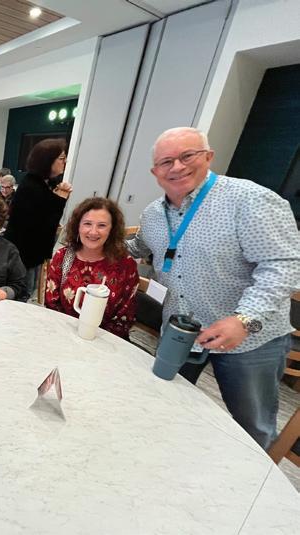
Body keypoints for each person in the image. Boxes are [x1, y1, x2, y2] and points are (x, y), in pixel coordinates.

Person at [127, 126, 300, 449]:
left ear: (208, 156)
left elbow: (283, 264)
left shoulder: (250, 200)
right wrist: (91, 242)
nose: (177, 167)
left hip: (249, 339)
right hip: (181, 330)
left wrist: (244, 319)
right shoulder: (152, 214)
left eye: (187, 156)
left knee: (252, 426)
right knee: (165, 403)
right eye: (166, 162)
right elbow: (137, 247)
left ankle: (251, 477)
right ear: (155, 172)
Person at [45, 197, 139, 339]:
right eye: (87, 224)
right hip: (64, 336)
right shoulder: (62, 257)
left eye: (102, 225)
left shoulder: (126, 265)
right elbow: (52, 305)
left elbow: (125, 316)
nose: (93, 232)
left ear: (112, 229)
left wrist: (91, 338)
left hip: (104, 341)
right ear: (78, 226)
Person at [4, 138, 73, 296]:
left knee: (29, 291)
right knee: (23, 293)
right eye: (61, 158)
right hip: (23, 254)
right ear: (47, 161)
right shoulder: (32, 187)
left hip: (31, 253)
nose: (65, 162)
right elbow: (48, 224)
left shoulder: (43, 182)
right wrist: (60, 198)